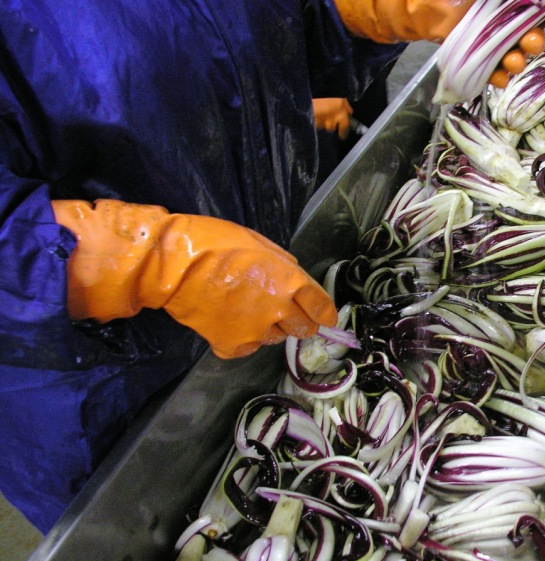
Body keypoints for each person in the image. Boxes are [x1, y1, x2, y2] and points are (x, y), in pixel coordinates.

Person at [0, 0, 475, 533]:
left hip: (263, 268)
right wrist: (144, 262)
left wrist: (354, 16)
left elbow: (259, 38)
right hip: (98, 378)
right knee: (175, 528)